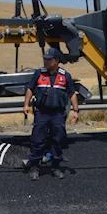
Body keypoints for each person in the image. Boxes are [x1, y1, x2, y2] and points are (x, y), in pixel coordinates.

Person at [22, 47, 79, 181]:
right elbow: (30, 89)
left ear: (57, 61)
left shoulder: (65, 76)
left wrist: (76, 111)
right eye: (45, 59)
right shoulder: (39, 73)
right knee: (38, 140)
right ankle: (35, 167)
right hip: (41, 112)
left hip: (58, 114)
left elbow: (71, 93)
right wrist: (26, 104)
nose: (46, 62)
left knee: (57, 140)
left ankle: (55, 167)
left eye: (49, 59)